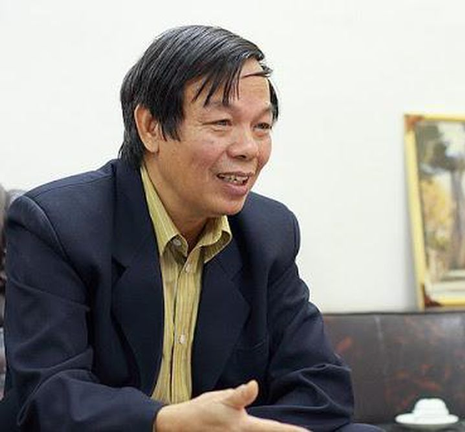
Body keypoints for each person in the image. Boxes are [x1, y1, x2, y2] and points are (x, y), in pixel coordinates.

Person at [3, 25, 378, 431]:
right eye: (221, 122)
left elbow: (323, 389)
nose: (248, 148)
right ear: (150, 127)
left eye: (262, 126)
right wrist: (168, 422)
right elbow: (48, 398)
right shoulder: (56, 224)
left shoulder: (269, 233)